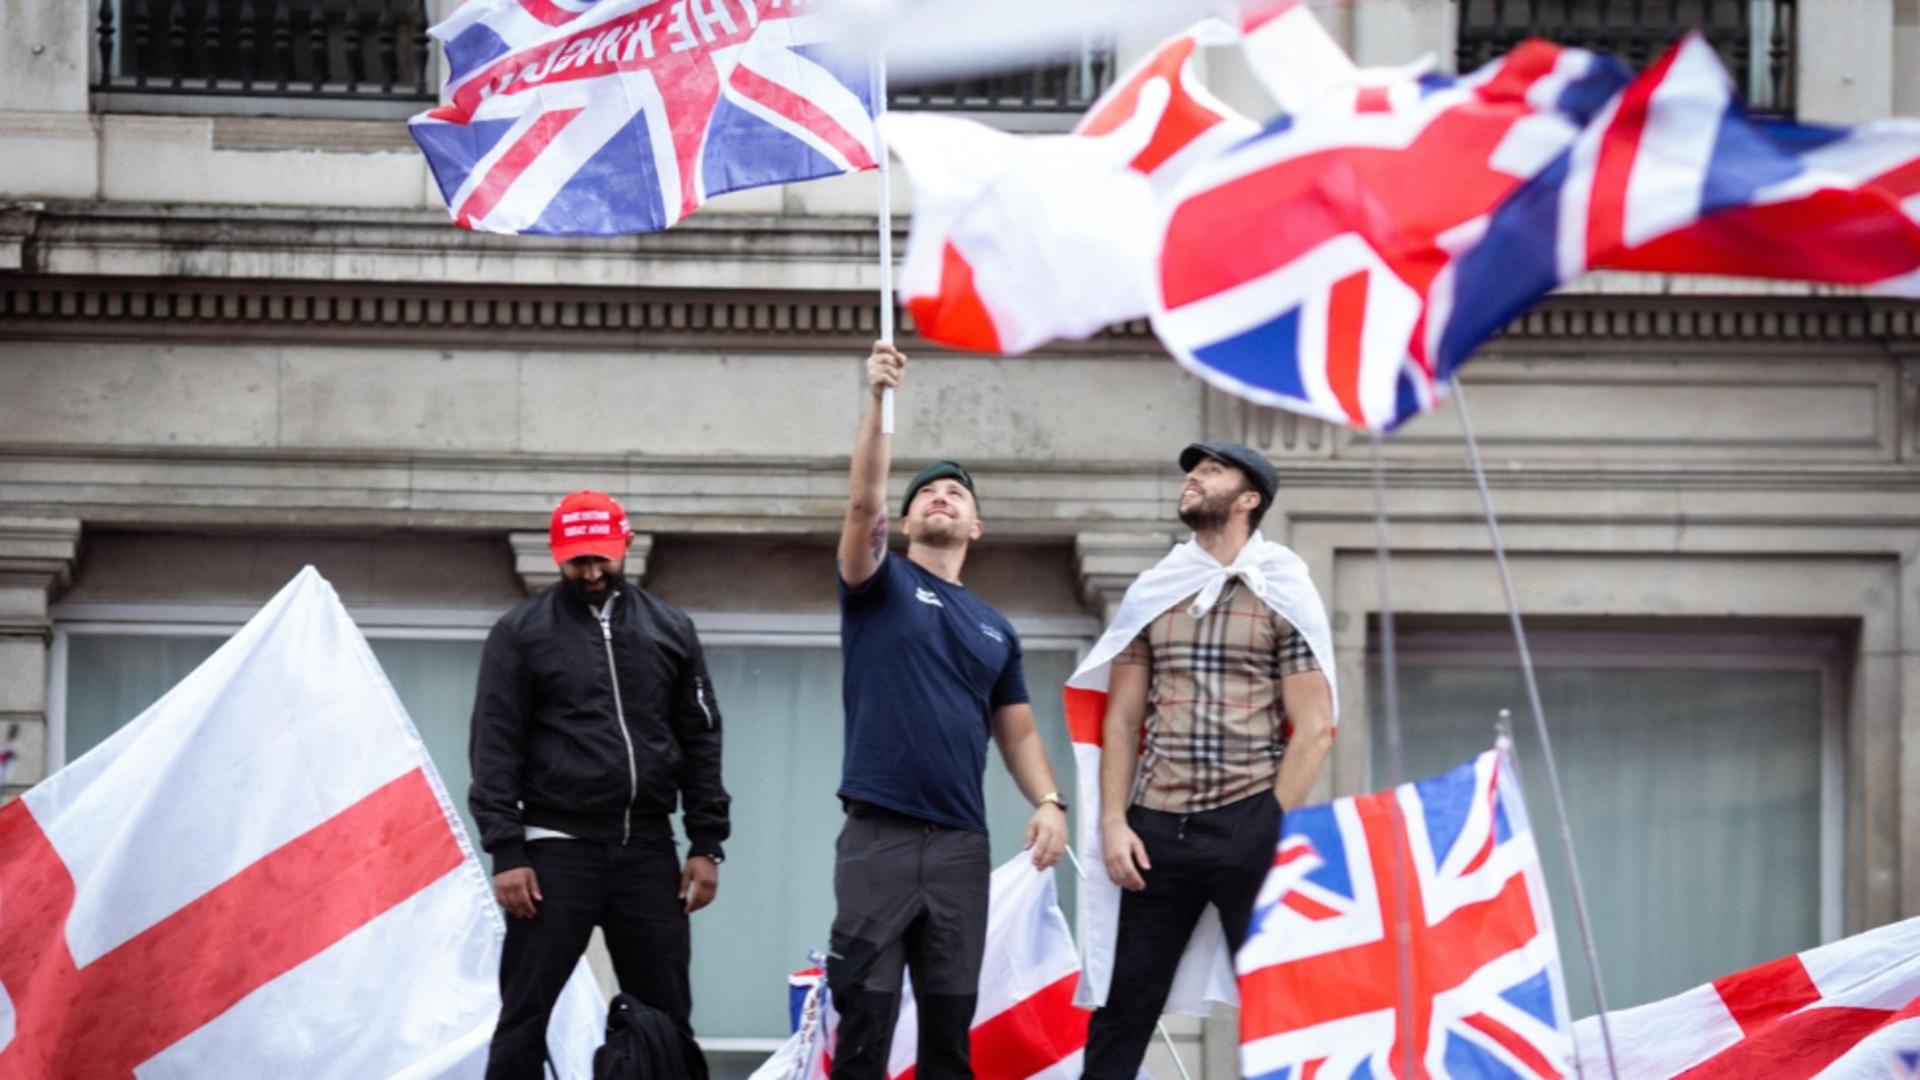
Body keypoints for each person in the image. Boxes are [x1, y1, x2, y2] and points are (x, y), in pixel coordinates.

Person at [829, 341, 1070, 1079]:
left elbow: (1017, 731)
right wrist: (878, 399)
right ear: (903, 524)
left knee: (948, 1037)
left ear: (976, 527)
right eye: (926, 493)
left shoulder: (997, 628)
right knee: (864, 1023)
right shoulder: (879, 585)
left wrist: (1050, 802)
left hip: (962, 845)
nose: (940, 497)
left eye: (956, 494)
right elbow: (863, 501)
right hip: (880, 835)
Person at [1082, 442, 1337, 1078]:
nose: (1193, 477)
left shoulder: (1282, 589)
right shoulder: (1156, 589)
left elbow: (1315, 726)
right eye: (1193, 470)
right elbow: (1122, 718)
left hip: (1246, 817)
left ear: (1249, 499)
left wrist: (1267, 823)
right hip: (1155, 829)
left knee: (1279, 1005)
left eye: (1212, 470)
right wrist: (1114, 821)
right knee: (1122, 1007)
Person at [469, 490, 730, 1080]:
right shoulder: (520, 633)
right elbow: (495, 745)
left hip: (648, 851)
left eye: (601, 558)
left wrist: (706, 842)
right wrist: (506, 850)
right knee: (525, 1014)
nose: (590, 572)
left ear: (626, 545)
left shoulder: (670, 628)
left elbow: (702, 738)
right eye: (577, 561)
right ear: (556, 555)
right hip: (555, 850)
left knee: (666, 1018)